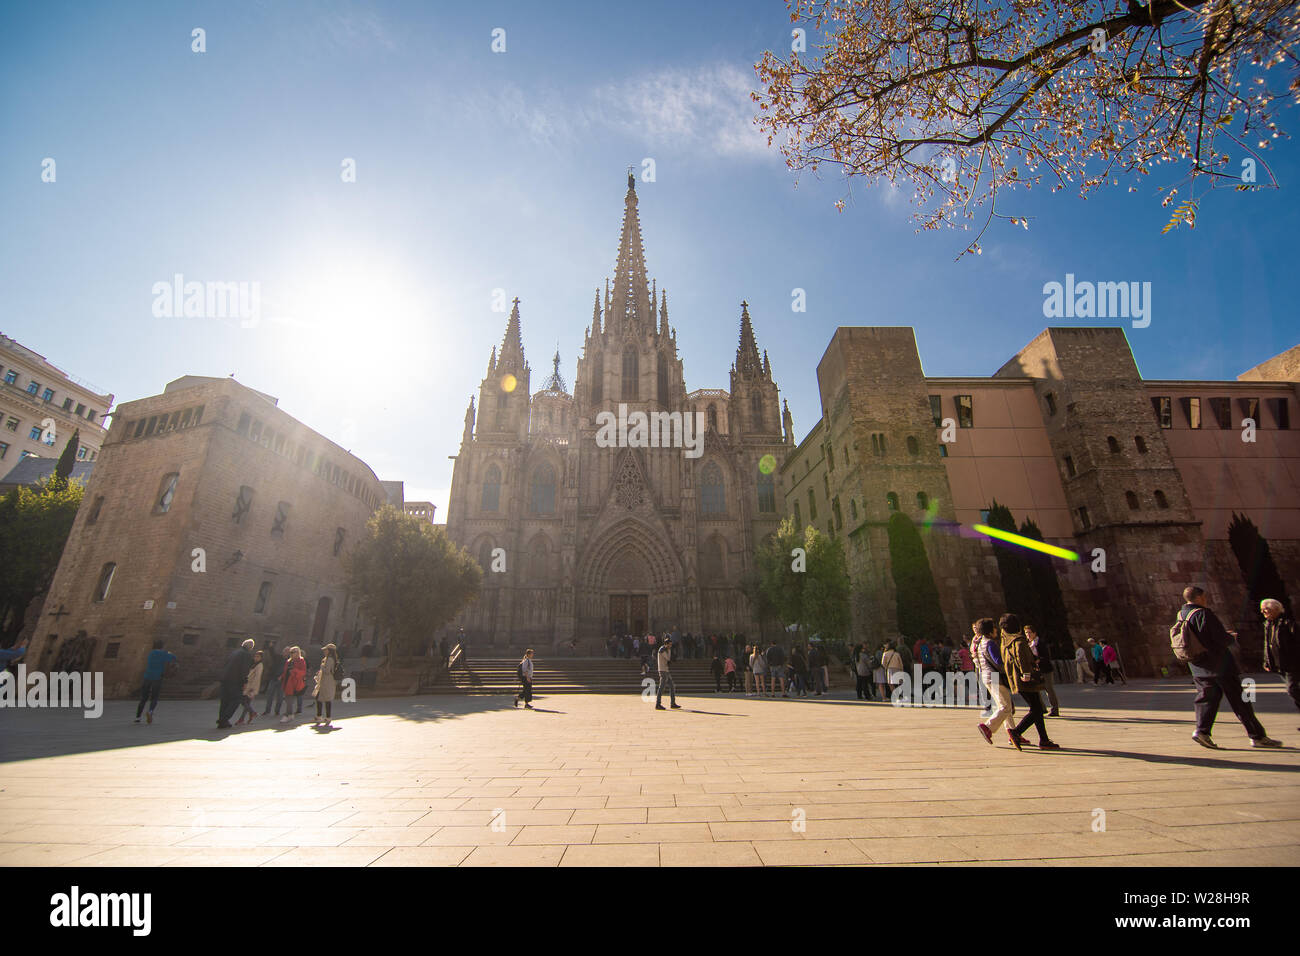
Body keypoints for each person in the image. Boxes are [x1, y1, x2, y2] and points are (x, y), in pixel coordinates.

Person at [1178, 586, 1280, 749]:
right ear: (1200, 597)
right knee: (1241, 701)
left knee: (1207, 699)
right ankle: (1257, 736)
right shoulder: (1203, 613)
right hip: (1219, 665)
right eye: (1204, 596)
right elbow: (1218, 639)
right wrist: (1230, 637)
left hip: (1199, 666)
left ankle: (1202, 731)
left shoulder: (1182, 615)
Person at [1000, 614, 1059, 750]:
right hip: (1026, 679)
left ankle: (1044, 740)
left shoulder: (1005, 643)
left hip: (1015, 680)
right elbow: (1022, 658)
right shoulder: (1019, 641)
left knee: (1036, 708)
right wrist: (1026, 673)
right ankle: (1016, 732)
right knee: (1037, 709)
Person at [973, 619, 1016, 744]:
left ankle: (1013, 733)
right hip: (995, 678)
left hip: (987, 677)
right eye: (994, 627)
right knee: (1006, 706)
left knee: (1004, 705)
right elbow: (998, 662)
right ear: (990, 630)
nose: (996, 630)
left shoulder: (980, 643)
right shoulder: (990, 643)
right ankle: (988, 727)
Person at [1261, 598, 1300, 726]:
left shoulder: (1288, 623)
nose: (1263, 612)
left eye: (1266, 610)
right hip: (1280, 664)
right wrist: (1267, 661)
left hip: (1292, 662)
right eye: (1262, 610)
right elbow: (1268, 644)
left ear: (1276, 609)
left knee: (1292, 689)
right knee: (1293, 690)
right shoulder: (1268, 624)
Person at [134, 641, 177, 724]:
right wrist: (168, 652)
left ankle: (137, 717)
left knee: (143, 698)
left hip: (147, 677)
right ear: (162, 646)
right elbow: (174, 658)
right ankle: (150, 711)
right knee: (154, 697)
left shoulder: (151, 653)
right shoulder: (164, 653)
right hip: (157, 677)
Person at [217, 639, 255, 728]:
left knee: (225, 701)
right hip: (235, 681)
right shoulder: (246, 655)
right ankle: (224, 719)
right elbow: (244, 670)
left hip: (225, 679)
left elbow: (225, 664)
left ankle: (222, 721)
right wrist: (244, 682)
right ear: (250, 647)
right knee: (236, 700)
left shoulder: (234, 652)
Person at [1025, 625, 1059, 716]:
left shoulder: (1040, 643)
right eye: (1026, 633)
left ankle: (1055, 709)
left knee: (1049, 689)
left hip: (1045, 669)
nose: (1028, 635)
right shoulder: (1027, 644)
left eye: (1029, 632)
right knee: (1036, 690)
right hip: (1035, 670)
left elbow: (1046, 656)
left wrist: (1038, 660)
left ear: (1034, 633)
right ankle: (1041, 708)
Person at [312, 643, 340, 728]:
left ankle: (323, 717)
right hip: (326, 682)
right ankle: (323, 716)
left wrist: (321, 667)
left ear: (330, 651)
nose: (324, 651)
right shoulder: (328, 659)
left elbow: (327, 671)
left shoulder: (330, 659)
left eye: (326, 650)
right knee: (322, 698)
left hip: (327, 682)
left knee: (324, 699)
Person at [236, 650, 264, 725]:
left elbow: (257, 677)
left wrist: (253, 688)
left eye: (258, 657)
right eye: (255, 656)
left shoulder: (260, 665)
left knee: (243, 701)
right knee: (246, 702)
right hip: (248, 685)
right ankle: (247, 716)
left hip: (251, 686)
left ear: (261, 658)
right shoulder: (253, 664)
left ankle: (251, 713)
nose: (256, 658)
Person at [279, 647, 307, 723]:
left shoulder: (301, 661)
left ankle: (287, 715)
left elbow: (303, 672)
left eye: (292, 652)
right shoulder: (289, 661)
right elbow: (285, 671)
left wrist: (294, 671)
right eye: (290, 652)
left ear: (297, 653)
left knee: (289, 700)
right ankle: (290, 714)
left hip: (294, 683)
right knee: (288, 699)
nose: (291, 654)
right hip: (287, 681)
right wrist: (282, 677)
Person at [655, 637, 680, 710]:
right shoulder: (662, 650)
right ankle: (658, 704)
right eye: (669, 644)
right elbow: (668, 658)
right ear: (666, 644)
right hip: (662, 670)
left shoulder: (667, 649)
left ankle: (673, 703)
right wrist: (671, 653)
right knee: (661, 687)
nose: (670, 646)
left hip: (666, 670)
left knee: (672, 686)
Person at [262, 642, 285, 716]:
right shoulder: (279, 657)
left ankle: (277, 711)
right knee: (270, 696)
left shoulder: (290, 661)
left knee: (280, 697)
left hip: (282, 681)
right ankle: (267, 710)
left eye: (288, 652)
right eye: (285, 651)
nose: (286, 653)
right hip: (274, 678)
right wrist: (271, 647)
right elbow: (273, 654)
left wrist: (282, 676)